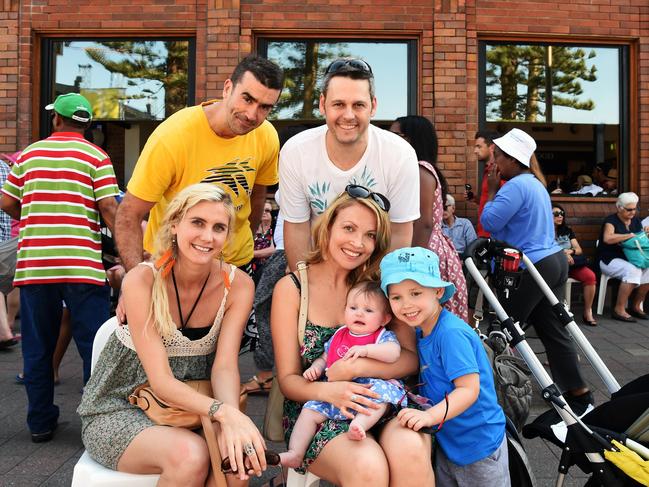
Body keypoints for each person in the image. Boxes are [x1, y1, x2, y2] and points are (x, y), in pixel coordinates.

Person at [78, 184, 268, 485]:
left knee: (236, 461)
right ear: (176, 224)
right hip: (121, 405)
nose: (208, 237)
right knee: (190, 456)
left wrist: (230, 420)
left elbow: (225, 366)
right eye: (198, 223)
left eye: (219, 227)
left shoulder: (239, 285)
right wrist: (225, 414)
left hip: (192, 408)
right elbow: (162, 382)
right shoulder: (142, 280)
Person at [272, 189, 434, 486]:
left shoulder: (377, 289)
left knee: (410, 450)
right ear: (328, 226)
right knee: (367, 465)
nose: (358, 243)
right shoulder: (293, 287)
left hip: (380, 401)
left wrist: (358, 369)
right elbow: (288, 380)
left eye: (370, 235)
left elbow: (409, 359)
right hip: (319, 411)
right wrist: (330, 391)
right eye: (349, 228)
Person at [0, 92, 119, 442]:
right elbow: (110, 209)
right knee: (93, 346)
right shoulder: (96, 156)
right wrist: (130, 257)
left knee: (38, 346)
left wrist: (34, 218)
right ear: (87, 125)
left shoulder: (30, 155)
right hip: (82, 267)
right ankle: (94, 421)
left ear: (56, 120)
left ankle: (40, 423)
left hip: (36, 268)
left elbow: (7, 201)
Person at [115, 54, 285, 276]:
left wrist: (243, 243)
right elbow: (129, 213)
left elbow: (257, 195)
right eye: (247, 99)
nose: (252, 114)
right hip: (174, 265)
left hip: (234, 267)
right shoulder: (174, 136)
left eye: (264, 107)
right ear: (227, 89)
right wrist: (134, 282)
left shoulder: (266, 136)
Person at [481, 128, 592, 406]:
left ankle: (490, 388)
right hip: (552, 260)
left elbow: (490, 222)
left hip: (532, 263)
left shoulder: (516, 186)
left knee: (504, 326)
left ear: (512, 160)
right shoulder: (535, 184)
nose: (494, 163)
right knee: (552, 329)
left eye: (498, 157)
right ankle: (578, 392)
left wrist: (492, 191)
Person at [381, 247, 510, 486]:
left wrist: (428, 415)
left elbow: (468, 390)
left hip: (477, 443)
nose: (406, 304)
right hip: (450, 439)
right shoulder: (420, 330)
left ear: (438, 291)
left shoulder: (450, 334)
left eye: (416, 293)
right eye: (396, 297)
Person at [279, 58, 420, 270]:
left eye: (358, 105)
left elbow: (399, 233)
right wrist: (307, 287)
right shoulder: (296, 151)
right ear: (322, 104)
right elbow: (297, 229)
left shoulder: (400, 154)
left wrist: (371, 291)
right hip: (317, 266)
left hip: (374, 269)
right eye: (338, 104)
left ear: (373, 106)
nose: (348, 115)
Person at [280, 280, 406, 468]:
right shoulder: (339, 334)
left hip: (368, 389)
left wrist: (368, 351)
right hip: (335, 393)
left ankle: (359, 425)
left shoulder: (382, 336)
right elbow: (325, 357)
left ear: (385, 319)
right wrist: (316, 368)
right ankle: (295, 453)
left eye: (369, 310)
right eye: (353, 307)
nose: (359, 313)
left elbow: (393, 352)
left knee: (379, 399)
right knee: (309, 411)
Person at [390, 115, 468, 323]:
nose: (390, 141)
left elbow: (423, 222)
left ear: (411, 139)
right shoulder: (415, 169)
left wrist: (409, 265)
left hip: (425, 251)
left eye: (395, 135)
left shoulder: (420, 169)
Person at [597, 192, 649, 322]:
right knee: (633, 270)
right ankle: (619, 309)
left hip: (631, 257)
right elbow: (607, 238)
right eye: (629, 209)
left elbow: (640, 240)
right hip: (609, 259)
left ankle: (636, 306)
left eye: (635, 209)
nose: (633, 212)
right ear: (619, 208)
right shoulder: (611, 221)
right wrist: (629, 235)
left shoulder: (636, 221)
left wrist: (645, 234)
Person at [552, 204, 598, 326]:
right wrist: (562, 254)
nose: (560, 216)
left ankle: (588, 311)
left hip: (572, 265)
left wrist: (570, 251)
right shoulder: (543, 231)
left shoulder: (567, 231)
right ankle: (557, 313)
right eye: (556, 214)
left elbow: (578, 249)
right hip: (556, 265)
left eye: (562, 214)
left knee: (590, 277)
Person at [466, 130, 503, 238]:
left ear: (491, 147)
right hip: (483, 233)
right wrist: (475, 198)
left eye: (479, 146)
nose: (475, 151)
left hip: (493, 235)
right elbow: (490, 199)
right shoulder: (488, 171)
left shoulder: (500, 172)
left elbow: (502, 203)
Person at [251, 200, 275, 284]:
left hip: (269, 271)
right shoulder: (251, 230)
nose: (264, 212)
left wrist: (251, 254)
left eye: (267, 210)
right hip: (251, 270)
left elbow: (273, 250)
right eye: (261, 210)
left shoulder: (275, 231)